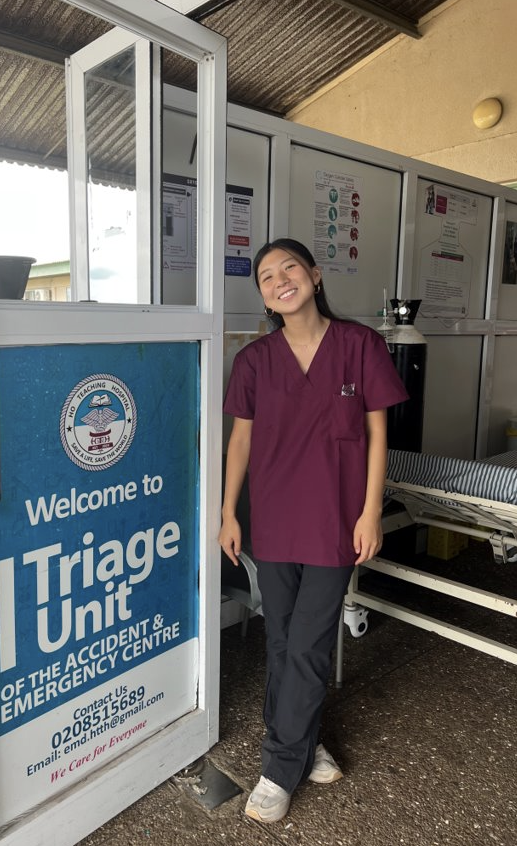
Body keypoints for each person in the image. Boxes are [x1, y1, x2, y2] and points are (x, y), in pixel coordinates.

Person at [219, 238, 408, 824]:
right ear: (264, 297)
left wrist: (371, 510)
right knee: (281, 640)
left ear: (315, 275)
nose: (280, 280)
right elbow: (242, 439)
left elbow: (378, 435)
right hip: (272, 518)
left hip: (334, 521)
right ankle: (305, 744)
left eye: (289, 268)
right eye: (267, 277)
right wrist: (228, 511)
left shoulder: (359, 346)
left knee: (306, 642)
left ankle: (278, 768)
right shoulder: (254, 360)